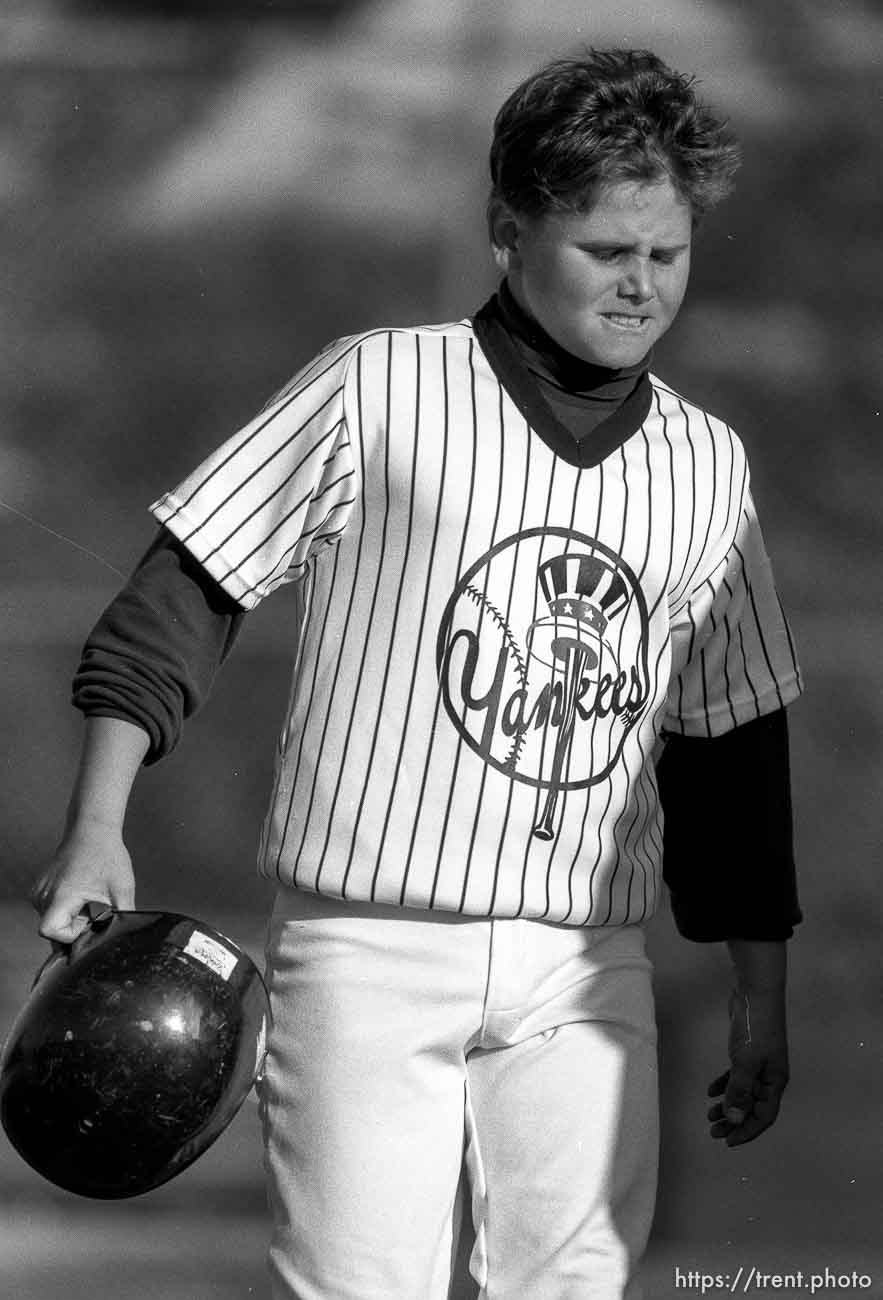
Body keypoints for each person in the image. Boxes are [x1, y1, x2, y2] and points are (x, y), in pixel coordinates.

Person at [32, 48, 803, 1300]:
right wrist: (96, 826)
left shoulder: (707, 464)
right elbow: (185, 592)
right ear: (507, 229)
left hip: (584, 959)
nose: (641, 284)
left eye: (666, 254)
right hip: (366, 946)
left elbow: (731, 739)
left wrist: (759, 989)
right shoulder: (379, 387)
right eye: (606, 250)